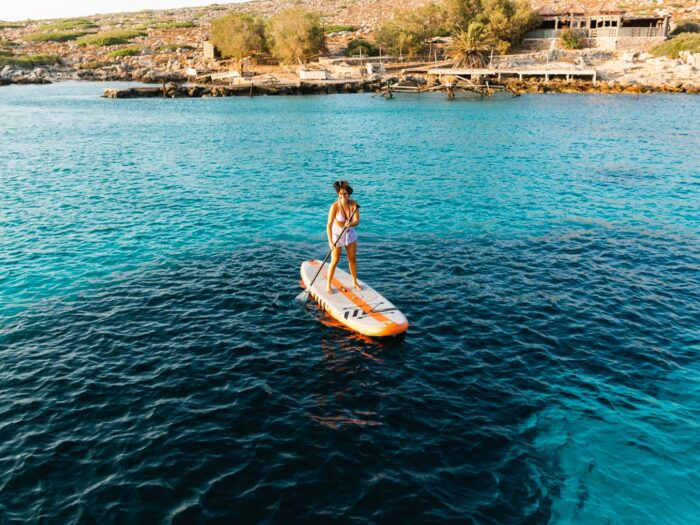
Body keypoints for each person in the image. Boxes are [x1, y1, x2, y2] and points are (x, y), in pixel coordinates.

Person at [326, 180, 361, 294]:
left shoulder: (353, 204)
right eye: (341, 194)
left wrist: (350, 224)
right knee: (335, 261)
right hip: (337, 235)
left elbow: (357, 221)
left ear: (349, 194)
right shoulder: (334, 206)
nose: (343, 196)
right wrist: (331, 242)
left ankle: (355, 282)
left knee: (352, 259)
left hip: (349, 233)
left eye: (345, 194)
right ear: (338, 194)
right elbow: (329, 225)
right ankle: (328, 285)